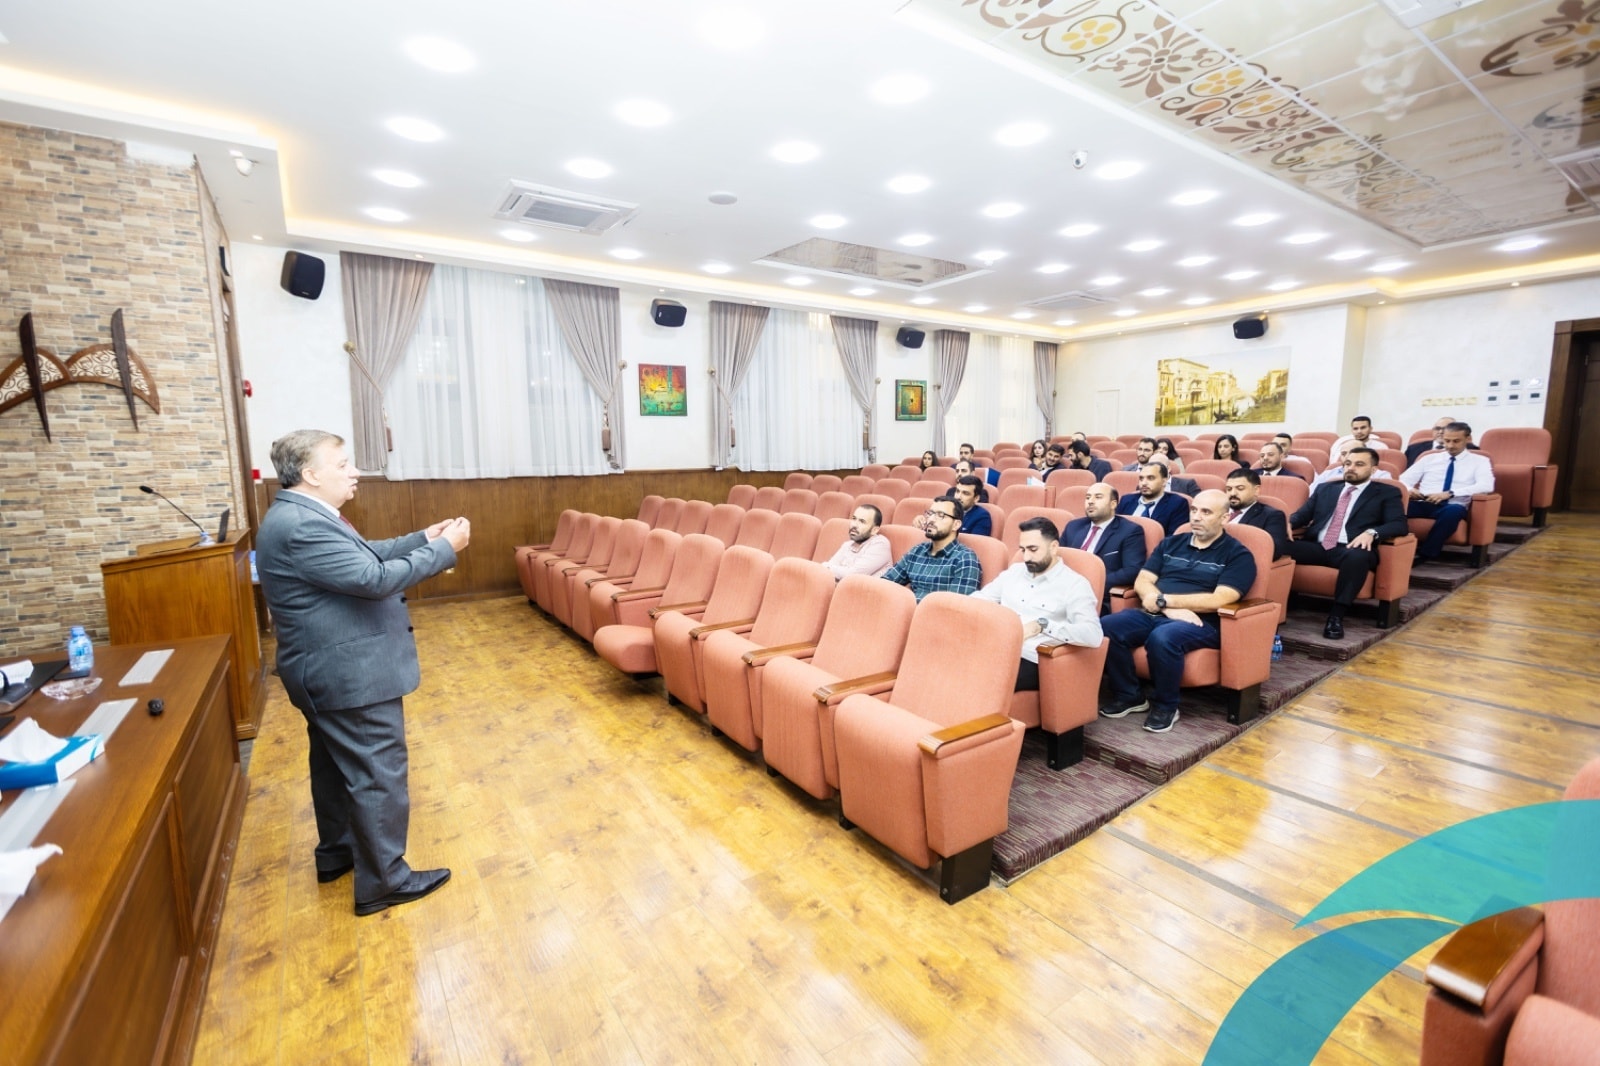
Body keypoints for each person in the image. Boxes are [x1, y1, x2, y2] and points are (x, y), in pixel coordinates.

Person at [255, 429, 469, 916]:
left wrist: (423, 538)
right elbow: (373, 578)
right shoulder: (303, 525)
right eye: (343, 464)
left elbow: (361, 555)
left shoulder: (299, 514)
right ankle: (384, 881)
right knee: (377, 774)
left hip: (324, 668)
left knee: (335, 769)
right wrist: (445, 549)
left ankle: (339, 852)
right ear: (310, 474)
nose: (355, 472)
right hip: (349, 674)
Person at [1099, 490, 1258, 734]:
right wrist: (1164, 605)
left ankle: (1166, 706)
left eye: (1206, 512)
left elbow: (1220, 599)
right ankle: (1129, 695)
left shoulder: (1238, 554)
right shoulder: (1171, 543)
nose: (1196, 517)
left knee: (1163, 638)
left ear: (1225, 518)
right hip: (1155, 612)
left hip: (1201, 622)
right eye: (1194, 510)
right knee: (1106, 626)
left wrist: (1165, 601)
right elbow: (1143, 580)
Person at [1286, 447, 1409, 639]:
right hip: (1317, 546)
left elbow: (1399, 524)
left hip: (1351, 548)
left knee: (1357, 557)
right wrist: (1288, 523)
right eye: (1348, 463)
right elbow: (1302, 515)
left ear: (1373, 469)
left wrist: (1372, 533)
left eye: (1359, 464)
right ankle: (1274, 605)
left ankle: (1336, 616)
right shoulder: (1325, 488)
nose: (1351, 468)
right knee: (1275, 545)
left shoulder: (1386, 492)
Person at [972, 516, 1103, 692]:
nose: (1026, 557)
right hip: (995, 646)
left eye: (1033, 549)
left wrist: (1043, 625)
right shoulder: (1014, 572)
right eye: (1023, 550)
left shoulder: (1074, 585)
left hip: (1031, 659)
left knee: (978, 678)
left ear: (1053, 547)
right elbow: (981, 599)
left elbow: (1093, 635)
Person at [1398, 421, 1494, 562]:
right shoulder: (1429, 458)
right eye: (1447, 441)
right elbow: (1402, 480)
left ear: (1467, 439)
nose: (1450, 445)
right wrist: (1410, 490)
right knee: (1393, 507)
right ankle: (1390, 547)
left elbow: (1486, 485)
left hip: (1452, 505)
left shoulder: (1480, 461)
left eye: (1456, 441)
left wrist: (1450, 493)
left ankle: (1426, 554)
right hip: (1424, 501)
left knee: (1452, 512)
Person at [1061, 484, 1147, 612]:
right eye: (1088, 497)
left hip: (1097, 597)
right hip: (1063, 591)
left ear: (1113, 504)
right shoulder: (1073, 526)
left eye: (1098, 497)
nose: (1090, 501)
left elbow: (1132, 571)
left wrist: (1091, 583)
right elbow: (1057, 559)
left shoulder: (1130, 531)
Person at [881, 496, 982, 601]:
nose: (931, 519)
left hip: (934, 611)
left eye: (940, 515)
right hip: (906, 608)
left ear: (956, 525)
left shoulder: (965, 559)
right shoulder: (917, 551)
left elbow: (955, 606)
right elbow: (885, 584)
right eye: (930, 513)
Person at [1223, 469, 1290, 559]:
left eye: (1240, 488)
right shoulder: (1216, 510)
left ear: (1256, 490)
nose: (1233, 493)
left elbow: (1274, 551)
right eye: (1229, 489)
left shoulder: (1271, 516)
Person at [1117, 462, 1189, 535]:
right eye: (1141, 479)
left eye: (1150, 478)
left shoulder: (1177, 504)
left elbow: (1174, 538)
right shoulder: (1126, 500)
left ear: (1164, 481)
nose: (1144, 483)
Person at [825, 504, 892, 580]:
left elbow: (852, 575)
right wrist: (828, 568)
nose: (854, 525)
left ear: (874, 530)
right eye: (854, 519)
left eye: (862, 521)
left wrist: (828, 567)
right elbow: (826, 570)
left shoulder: (880, 544)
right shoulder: (847, 544)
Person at [1312, 439, 1395, 487]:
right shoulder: (1327, 475)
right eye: (1344, 454)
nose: (1347, 457)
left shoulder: (1381, 476)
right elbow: (1311, 496)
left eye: (1353, 453)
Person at [1403, 416, 1479, 467]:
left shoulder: (1471, 449)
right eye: (1437, 428)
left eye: (1446, 429)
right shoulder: (1414, 449)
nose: (1440, 432)